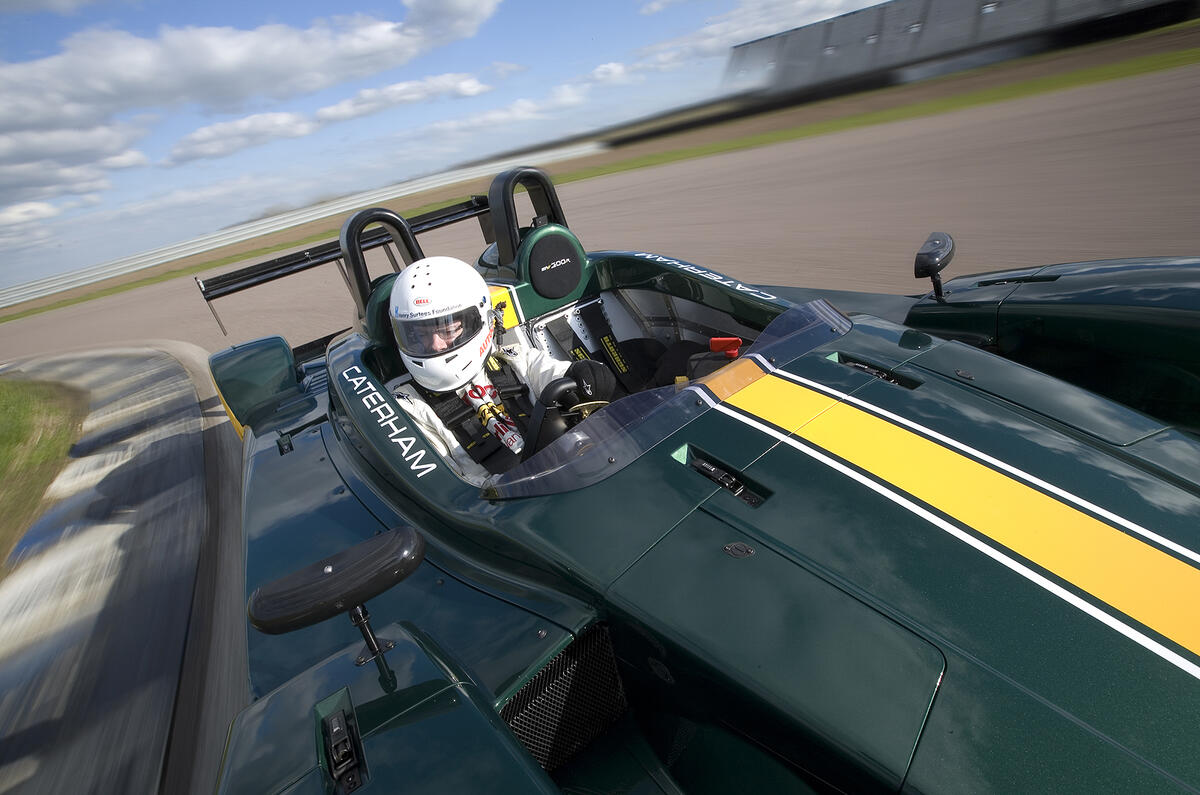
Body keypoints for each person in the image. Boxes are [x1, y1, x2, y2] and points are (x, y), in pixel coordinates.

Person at [386, 255, 615, 486]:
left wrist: (588, 374)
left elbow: (554, 373)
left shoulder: (513, 359)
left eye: (448, 329)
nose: (435, 345)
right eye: (419, 335)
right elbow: (451, 489)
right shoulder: (408, 408)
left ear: (482, 320)